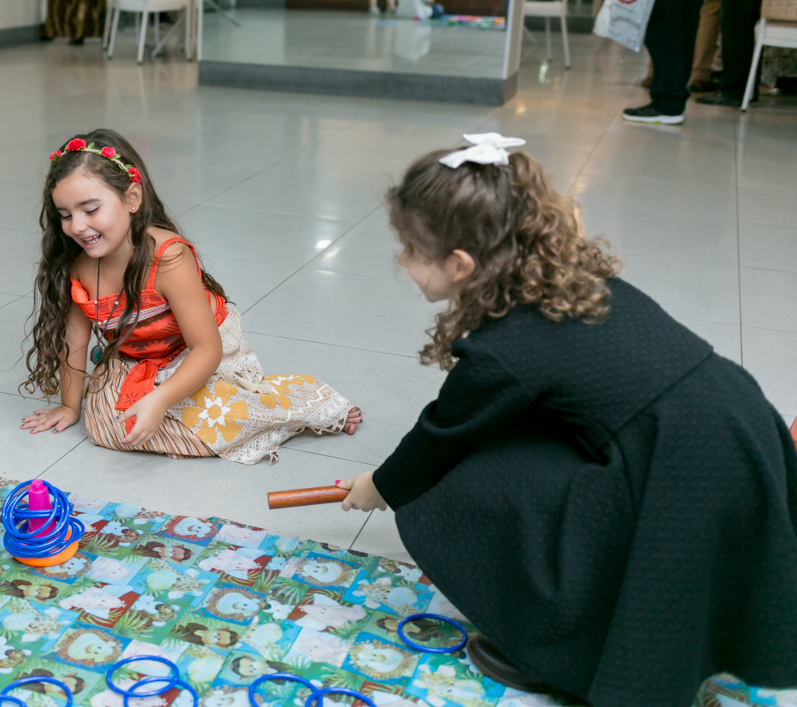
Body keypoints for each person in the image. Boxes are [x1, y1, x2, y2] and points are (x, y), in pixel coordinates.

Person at [333, 133, 797, 705]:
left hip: (684, 463)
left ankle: (553, 650)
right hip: (739, 426)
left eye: (409, 250)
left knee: (464, 482)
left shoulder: (504, 348)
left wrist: (380, 485)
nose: (401, 262)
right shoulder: (568, 279)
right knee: (520, 446)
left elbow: (442, 435)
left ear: (460, 264)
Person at [20, 129, 361, 463]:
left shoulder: (169, 258)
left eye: (91, 210)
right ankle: (181, 413)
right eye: (66, 216)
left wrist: (161, 400)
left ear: (132, 199)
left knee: (213, 417)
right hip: (138, 358)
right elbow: (75, 342)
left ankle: (305, 401)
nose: (77, 226)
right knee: (104, 428)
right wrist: (70, 407)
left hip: (199, 354)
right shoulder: (79, 268)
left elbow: (207, 349)